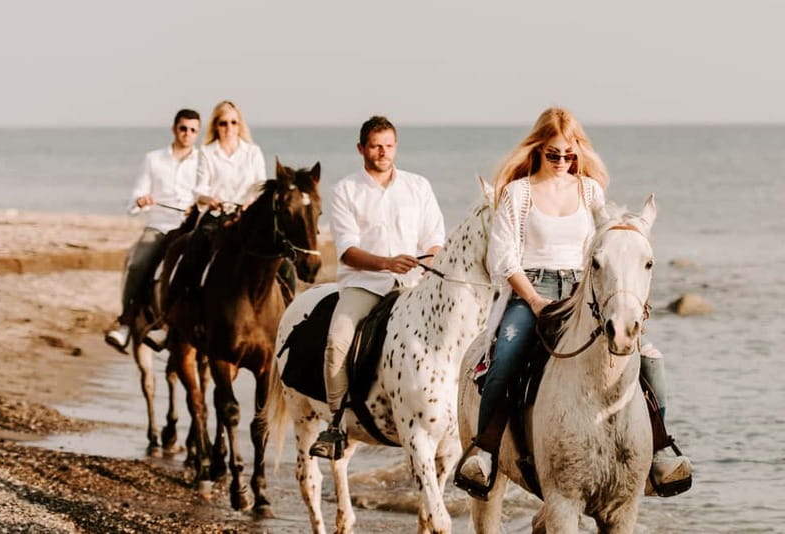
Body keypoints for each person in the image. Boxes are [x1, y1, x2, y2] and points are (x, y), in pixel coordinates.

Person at [456, 107, 691, 497]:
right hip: (531, 288)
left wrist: (620, 294)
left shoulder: (590, 191)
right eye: (554, 153)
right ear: (538, 149)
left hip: (584, 291)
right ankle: (484, 451)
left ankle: (660, 450)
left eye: (569, 154)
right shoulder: (519, 193)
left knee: (648, 357)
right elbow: (503, 258)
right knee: (506, 356)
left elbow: (603, 248)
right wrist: (532, 301)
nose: (563, 161)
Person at [309, 116, 446, 459]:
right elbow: (347, 251)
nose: (382, 152)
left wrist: (424, 260)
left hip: (414, 284)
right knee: (337, 341)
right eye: (375, 146)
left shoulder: (418, 186)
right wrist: (387, 263)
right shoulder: (346, 190)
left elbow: (435, 240)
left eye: (388, 145)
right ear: (361, 149)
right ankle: (336, 424)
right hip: (366, 284)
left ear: (395, 146)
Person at [105, 108, 201, 352]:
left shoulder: (203, 161)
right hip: (160, 225)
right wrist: (140, 201)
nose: (187, 134)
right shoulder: (153, 159)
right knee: (138, 264)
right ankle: (125, 322)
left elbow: (208, 192)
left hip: (190, 228)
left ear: (197, 133)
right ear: (174, 129)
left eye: (192, 130)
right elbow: (136, 196)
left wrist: (198, 207)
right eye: (183, 128)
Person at [168, 100, 278, 302]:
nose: (229, 128)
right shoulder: (207, 153)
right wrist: (209, 199)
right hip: (217, 215)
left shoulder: (253, 152)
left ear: (240, 125)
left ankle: (286, 303)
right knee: (193, 252)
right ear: (216, 126)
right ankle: (176, 308)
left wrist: (250, 202)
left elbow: (260, 186)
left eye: (233, 123)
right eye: (223, 123)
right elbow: (200, 188)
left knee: (281, 259)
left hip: (248, 216)